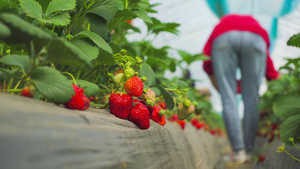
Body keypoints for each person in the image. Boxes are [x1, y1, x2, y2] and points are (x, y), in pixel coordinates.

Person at [202, 14, 280, 163]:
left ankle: (239, 153)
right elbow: (269, 69)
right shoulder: (254, 25)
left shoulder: (222, 24)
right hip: (257, 40)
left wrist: (227, 91)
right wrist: (276, 81)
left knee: (228, 99)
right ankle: (249, 152)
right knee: (252, 99)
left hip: (223, 38)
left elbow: (206, 60)